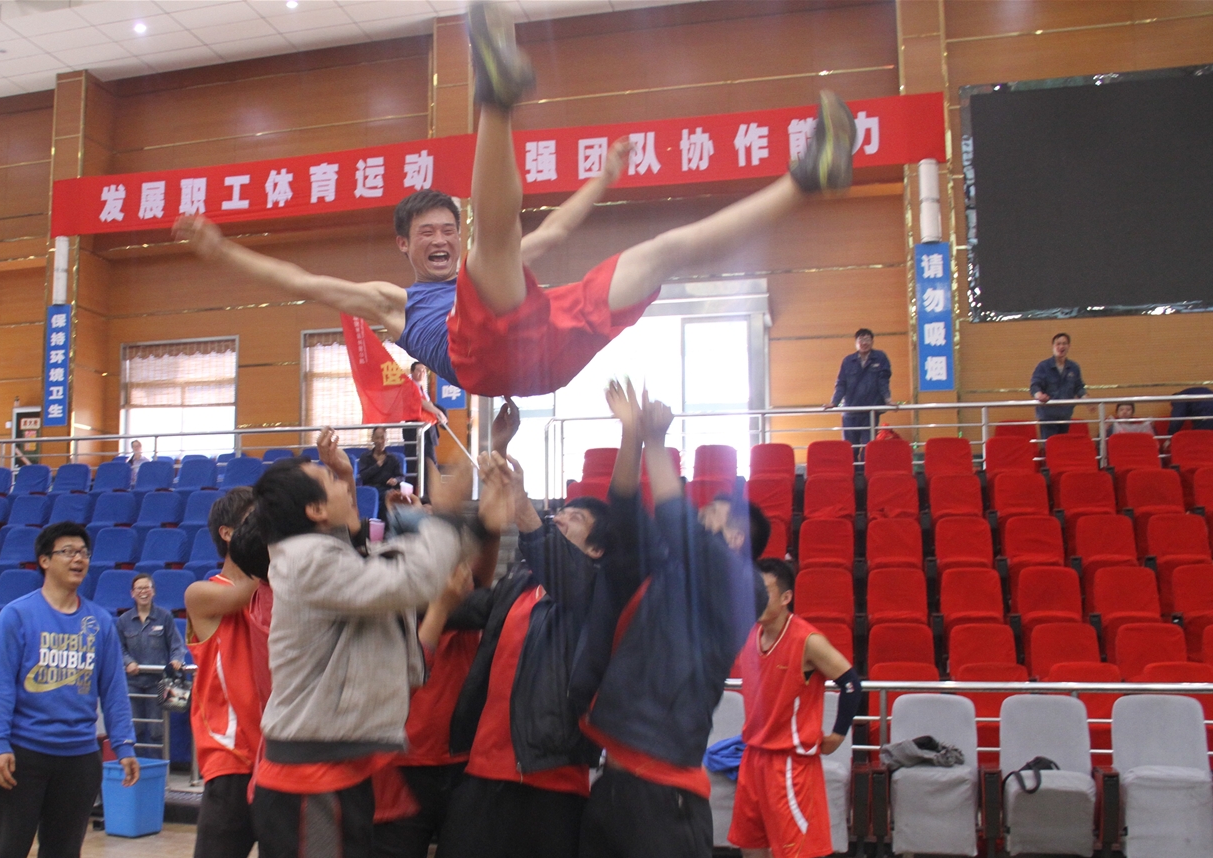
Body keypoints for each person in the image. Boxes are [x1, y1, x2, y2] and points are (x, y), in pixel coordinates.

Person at [170, 4, 854, 402]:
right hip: (485, 361)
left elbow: (555, 231)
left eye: (448, 227)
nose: (442, 238)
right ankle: (494, 98)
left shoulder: (490, 262)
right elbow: (299, 281)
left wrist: (603, 180)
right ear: (404, 245)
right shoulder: (392, 302)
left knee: (661, 252)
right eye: (428, 233)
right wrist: (223, 251)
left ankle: (808, 178)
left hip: (547, 335)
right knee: (490, 256)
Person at [228, 434, 510, 858]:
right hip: (308, 788)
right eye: (329, 481)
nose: (343, 482)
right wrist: (448, 514)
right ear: (313, 511)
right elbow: (408, 575)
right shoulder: (306, 561)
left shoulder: (325, 557)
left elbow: (400, 648)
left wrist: (473, 524)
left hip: (336, 781)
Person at [565, 382, 769, 858]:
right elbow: (628, 512)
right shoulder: (666, 576)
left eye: (714, 515)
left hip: (665, 797)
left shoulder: (738, 585)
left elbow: (675, 515)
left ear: (735, 538)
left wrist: (657, 440)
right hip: (614, 786)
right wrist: (632, 438)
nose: (701, 518)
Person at [417, 461, 616, 858]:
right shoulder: (518, 584)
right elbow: (454, 608)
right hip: (484, 782)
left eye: (572, 518)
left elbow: (562, 566)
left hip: (552, 787)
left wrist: (523, 503)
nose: (559, 520)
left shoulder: (594, 592)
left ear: (596, 549)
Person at [120, 489, 269, 858]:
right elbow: (247, 589)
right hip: (232, 770)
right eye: (257, 520)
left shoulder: (273, 593)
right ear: (229, 533)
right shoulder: (205, 593)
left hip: (279, 772)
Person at [0, 520, 140, 858]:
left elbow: (113, 689)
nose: (78, 558)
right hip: (22, 756)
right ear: (44, 560)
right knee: (5, 854)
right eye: (68, 551)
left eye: (83, 551)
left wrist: (124, 743)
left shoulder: (99, 622)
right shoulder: (17, 616)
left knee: (63, 856)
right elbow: (0, 686)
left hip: (78, 757)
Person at [720, 558, 862, 858]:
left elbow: (850, 682)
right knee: (751, 846)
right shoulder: (750, 634)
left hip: (790, 763)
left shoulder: (807, 640)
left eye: (763, 591)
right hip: (754, 757)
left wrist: (838, 733)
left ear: (785, 597)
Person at [116, 571, 190, 752]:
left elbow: (177, 646)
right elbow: (118, 648)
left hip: (159, 682)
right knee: (135, 729)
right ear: (132, 593)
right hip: (132, 683)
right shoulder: (123, 620)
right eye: (139, 588)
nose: (143, 592)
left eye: (147, 588)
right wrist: (128, 662)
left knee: (158, 731)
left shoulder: (165, 617)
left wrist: (176, 660)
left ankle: (159, 767)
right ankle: (137, 766)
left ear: (153, 591)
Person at [824, 328, 892, 446]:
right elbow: (841, 383)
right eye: (861, 340)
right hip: (850, 411)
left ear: (872, 341)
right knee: (850, 448)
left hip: (870, 412)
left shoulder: (880, 357)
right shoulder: (848, 361)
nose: (864, 343)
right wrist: (834, 402)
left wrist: (888, 399)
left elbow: (883, 381)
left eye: (867, 339)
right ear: (856, 343)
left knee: (868, 447)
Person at [1030, 333, 1086, 439]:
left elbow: (1079, 387)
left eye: (1064, 343)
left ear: (1069, 346)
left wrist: (1086, 399)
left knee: (1062, 445)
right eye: (1058, 344)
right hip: (1047, 416)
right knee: (1050, 445)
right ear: (1053, 346)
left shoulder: (1074, 367)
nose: (1061, 346)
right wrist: (1039, 395)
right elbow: (1035, 385)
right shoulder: (1043, 366)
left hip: (1065, 414)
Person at [358, 425, 407, 507]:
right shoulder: (365, 457)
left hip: (387, 489)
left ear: (386, 440)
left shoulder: (392, 458)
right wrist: (376, 466)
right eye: (377, 438)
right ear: (372, 439)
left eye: (382, 438)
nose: (380, 441)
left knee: (390, 496)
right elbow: (363, 476)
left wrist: (395, 480)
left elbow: (401, 477)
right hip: (371, 489)